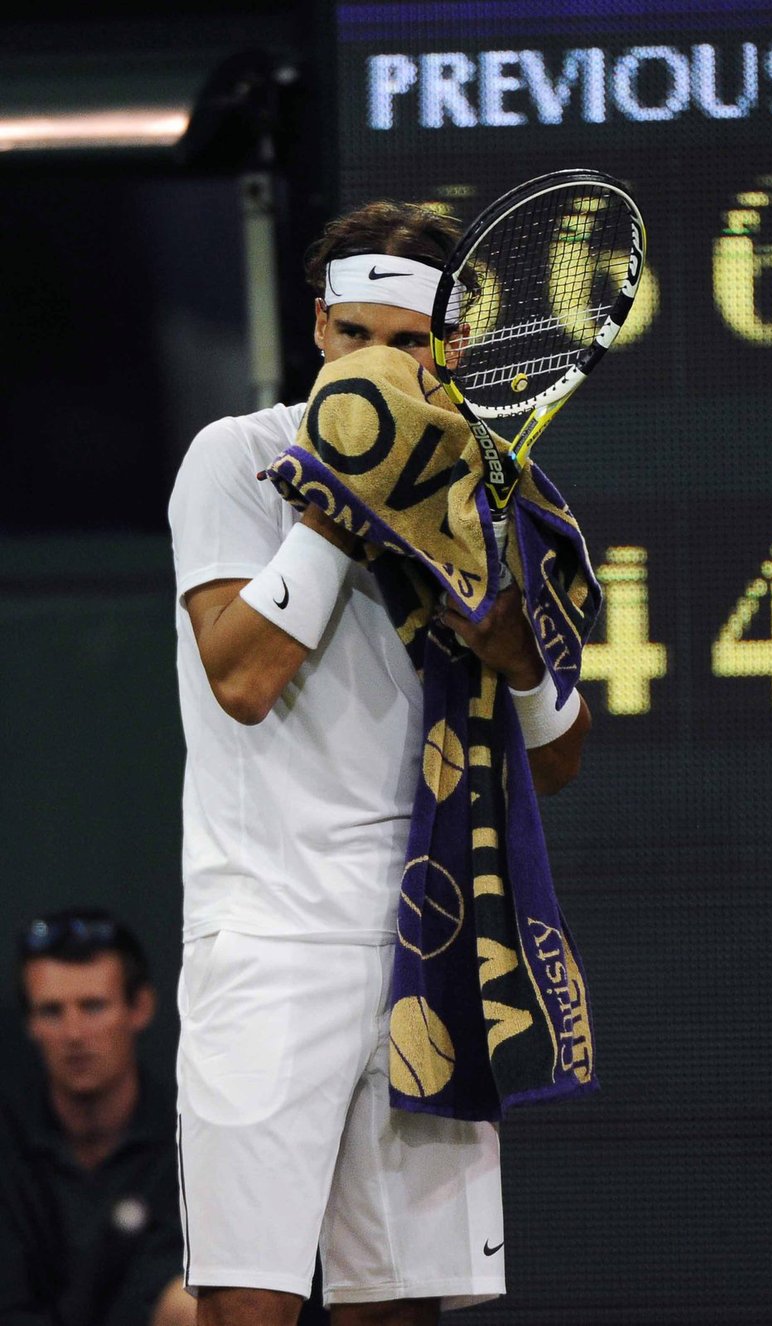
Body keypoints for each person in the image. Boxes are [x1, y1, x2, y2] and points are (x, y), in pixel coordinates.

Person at [167, 199, 592, 1326]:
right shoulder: (240, 459)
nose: (378, 368)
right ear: (318, 330)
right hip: (269, 943)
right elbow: (242, 679)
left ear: (447, 352)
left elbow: (559, 759)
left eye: (406, 346)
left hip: (435, 944)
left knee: (399, 1313)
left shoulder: (493, 500)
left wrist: (515, 651)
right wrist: (350, 500)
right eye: (355, 338)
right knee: (246, 1311)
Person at [0, 907, 196, 1326]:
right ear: (30, 1024)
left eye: (92, 1006)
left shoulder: (190, 1145)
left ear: (139, 1008)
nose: (73, 1034)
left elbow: (167, 1302)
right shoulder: (8, 1143)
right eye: (52, 1011)